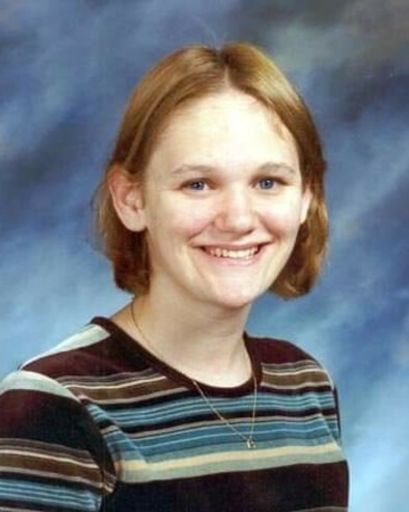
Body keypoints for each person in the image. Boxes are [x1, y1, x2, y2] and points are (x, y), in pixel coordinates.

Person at [0, 43, 349, 511]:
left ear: (307, 196)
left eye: (268, 182)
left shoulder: (305, 388)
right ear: (132, 200)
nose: (238, 218)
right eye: (198, 184)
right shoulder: (57, 405)